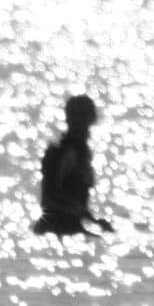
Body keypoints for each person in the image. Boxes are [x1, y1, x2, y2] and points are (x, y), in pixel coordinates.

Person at [33, 94, 113, 238]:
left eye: (83, 116)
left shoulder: (83, 153)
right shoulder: (61, 152)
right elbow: (50, 194)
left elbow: (76, 202)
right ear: (67, 118)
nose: (78, 121)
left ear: (91, 119)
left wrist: (93, 220)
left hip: (72, 228)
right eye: (75, 116)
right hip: (55, 230)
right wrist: (80, 212)